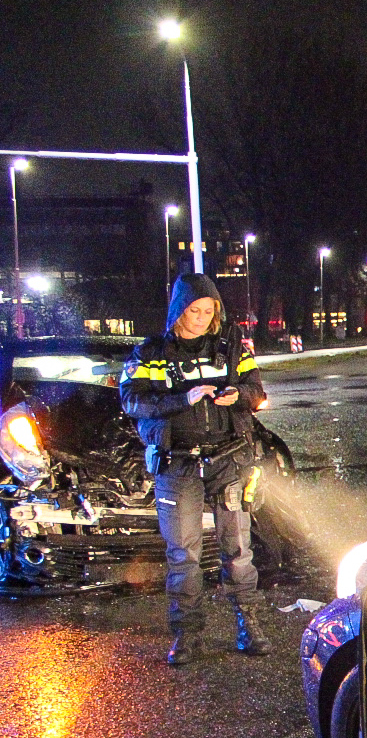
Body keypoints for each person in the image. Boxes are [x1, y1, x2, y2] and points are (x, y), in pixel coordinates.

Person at [121, 274, 271, 665]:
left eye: (209, 311)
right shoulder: (150, 352)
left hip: (230, 458)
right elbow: (133, 402)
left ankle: (249, 624)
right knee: (183, 553)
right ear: (178, 310)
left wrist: (241, 396)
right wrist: (182, 399)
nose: (202, 318)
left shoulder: (233, 344)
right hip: (178, 462)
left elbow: (258, 391)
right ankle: (186, 634)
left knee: (238, 549)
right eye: (194, 311)